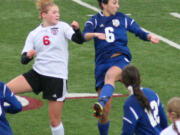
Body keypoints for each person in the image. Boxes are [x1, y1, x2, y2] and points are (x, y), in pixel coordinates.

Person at [6, 0, 83, 135]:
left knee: (54, 121)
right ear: (44, 15)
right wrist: (29, 56)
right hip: (37, 74)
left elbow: (78, 40)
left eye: (58, 12)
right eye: (54, 12)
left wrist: (77, 30)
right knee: (5, 90)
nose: (57, 15)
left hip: (56, 78)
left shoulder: (63, 27)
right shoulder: (34, 33)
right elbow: (23, 60)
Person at [83, 0, 159, 134]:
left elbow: (137, 30)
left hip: (120, 59)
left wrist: (148, 36)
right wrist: (95, 34)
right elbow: (84, 35)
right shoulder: (94, 20)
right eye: (114, 2)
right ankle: (103, 110)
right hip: (101, 65)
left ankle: (101, 102)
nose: (117, 6)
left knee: (111, 76)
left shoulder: (122, 18)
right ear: (104, 4)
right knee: (103, 114)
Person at [120, 65, 168, 135]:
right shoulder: (152, 93)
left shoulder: (130, 104)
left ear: (123, 82)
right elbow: (164, 121)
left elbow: (127, 132)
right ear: (140, 78)